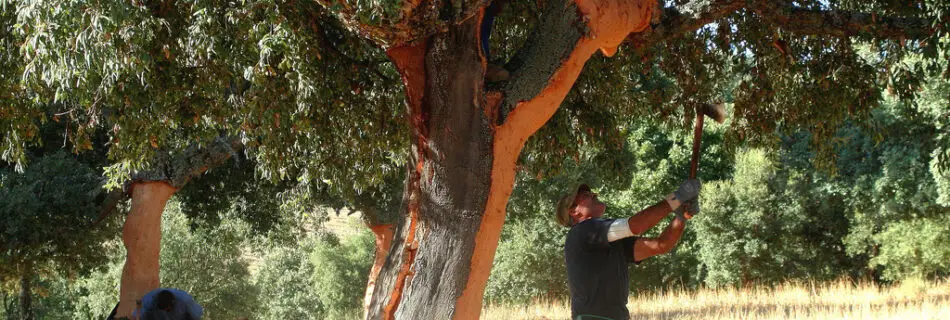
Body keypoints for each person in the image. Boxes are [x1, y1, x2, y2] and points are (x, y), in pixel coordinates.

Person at [556, 180, 701, 320]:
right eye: (586, 195)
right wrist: (678, 197)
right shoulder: (583, 230)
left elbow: (662, 245)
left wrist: (682, 217)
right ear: (574, 211)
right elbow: (636, 226)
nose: (594, 195)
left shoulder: (607, 239)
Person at [138, 288, 203, 320]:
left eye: (168, 309)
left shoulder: (185, 301)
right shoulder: (149, 301)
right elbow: (143, 317)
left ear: (173, 302)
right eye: (163, 309)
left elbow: (197, 316)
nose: (165, 311)